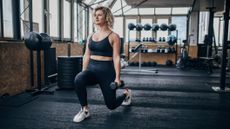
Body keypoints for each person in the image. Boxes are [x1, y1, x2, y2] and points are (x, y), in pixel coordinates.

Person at [73, 6, 132, 123]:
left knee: (111, 105)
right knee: (78, 79)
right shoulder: (91, 36)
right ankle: (85, 110)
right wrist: (84, 72)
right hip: (92, 70)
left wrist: (117, 78)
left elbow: (116, 57)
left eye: (99, 15)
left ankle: (126, 94)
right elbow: (86, 55)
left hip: (107, 72)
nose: (96, 17)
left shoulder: (113, 36)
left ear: (107, 17)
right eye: (95, 15)